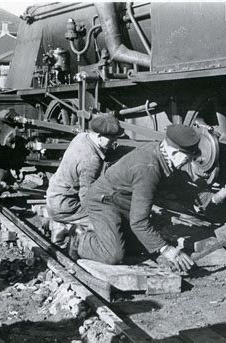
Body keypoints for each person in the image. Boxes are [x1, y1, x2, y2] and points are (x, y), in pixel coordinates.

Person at [65, 124, 209, 272]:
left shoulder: (162, 152)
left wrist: (212, 197)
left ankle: (106, 236)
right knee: (114, 254)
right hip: (103, 202)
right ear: (174, 153)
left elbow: (180, 187)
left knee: (139, 246)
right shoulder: (149, 168)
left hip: (123, 201)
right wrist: (167, 250)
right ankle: (79, 240)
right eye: (187, 159)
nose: (188, 162)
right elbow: (139, 222)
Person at [46, 114, 122, 245]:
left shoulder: (81, 137)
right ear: (98, 136)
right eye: (111, 138)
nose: (115, 141)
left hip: (54, 197)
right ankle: (68, 229)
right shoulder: (91, 160)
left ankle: (61, 223)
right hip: (66, 206)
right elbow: (87, 198)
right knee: (111, 224)